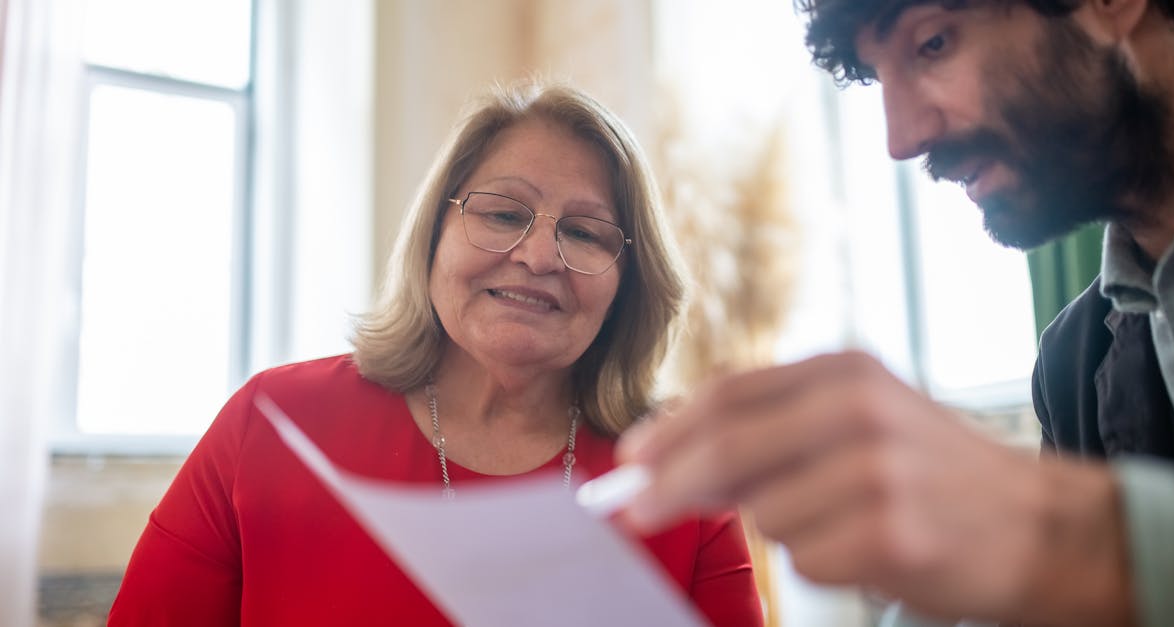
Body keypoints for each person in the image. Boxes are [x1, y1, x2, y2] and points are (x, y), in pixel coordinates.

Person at [617, 1, 1174, 626]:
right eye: (878, 74)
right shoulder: (1072, 363)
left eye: (934, 44)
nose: (902, 138)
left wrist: (1056, 536)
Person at [108, 80, 763, 626]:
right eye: (504, 214)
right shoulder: (271, 423)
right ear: (433, 238)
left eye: (585, 233)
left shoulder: (683, 482)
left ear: (628, 285)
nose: (538, 256)